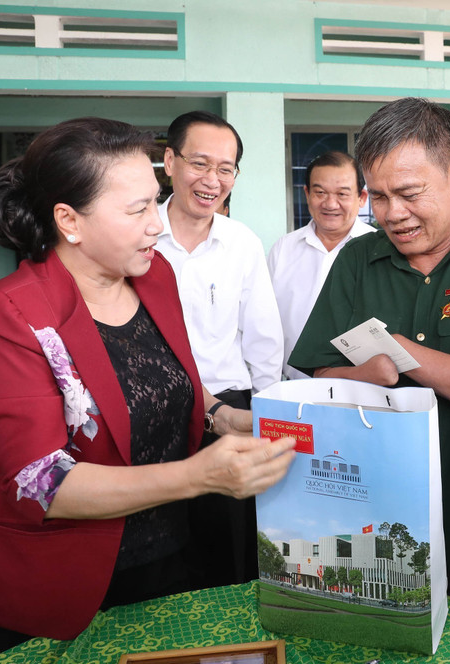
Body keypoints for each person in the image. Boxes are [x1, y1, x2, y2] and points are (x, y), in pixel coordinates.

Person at [0, 118, 296, 652]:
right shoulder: (7, 315)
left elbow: (170, 380)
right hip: (64, 578)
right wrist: (198, 475)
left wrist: (224, 417)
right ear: (69, 220)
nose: (156, 225)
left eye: (155, 202)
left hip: (170, 555)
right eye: (138, 210)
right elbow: (42, 482)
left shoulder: (155, 276)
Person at [289, 97, 450, 617]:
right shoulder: (357, 258)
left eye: (408, 194)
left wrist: (394, 347)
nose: (392, 214)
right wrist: (364, 373)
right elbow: (319, 370)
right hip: (372, 509)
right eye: (379, 197)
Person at [156, 110, 284, 586]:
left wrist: (266, 415)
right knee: (161, 547)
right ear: (170, 161)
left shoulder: (242, 243)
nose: (212, 180)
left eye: (225, 169)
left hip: (229, 412)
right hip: (154, 409)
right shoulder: (138, 236)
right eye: (200, 164)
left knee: (229, 552)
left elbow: (263, 338)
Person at [268, 151, 375, 380]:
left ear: (362, 197)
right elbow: (265, 324)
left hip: (366, 389)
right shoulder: (283, 250)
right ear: (307, 194)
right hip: (294, 388)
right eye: (320, 193)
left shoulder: (378, 249)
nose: (330, 204)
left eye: (342, 194)